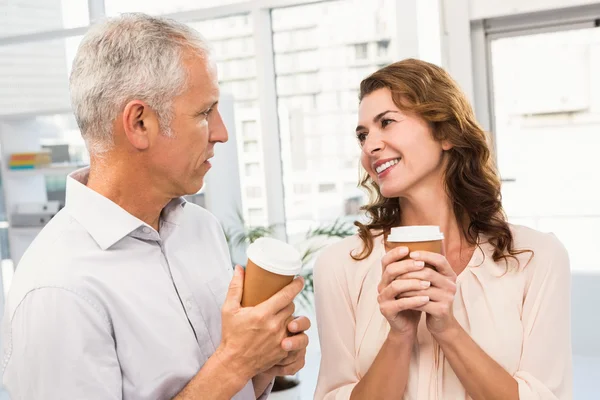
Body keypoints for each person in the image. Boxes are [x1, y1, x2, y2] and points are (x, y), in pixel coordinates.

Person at [2, 14, 309, 400]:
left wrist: (263, 364)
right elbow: (230, 368)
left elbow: (238, 385)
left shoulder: (201, 228)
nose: (221, 133)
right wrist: (235, 362)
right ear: (140, 123)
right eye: (204, 113)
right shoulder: (57, 289)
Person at [313, 59, 571, 399]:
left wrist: (447, 329)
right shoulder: (340, 267)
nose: (369, 147)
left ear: (446, 132)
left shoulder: (535, 258)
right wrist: (400, 335)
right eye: (363, 135)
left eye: (386, 123)